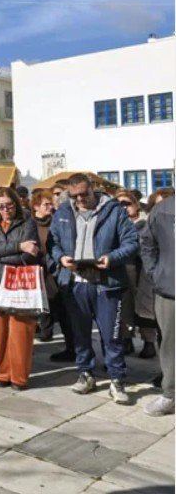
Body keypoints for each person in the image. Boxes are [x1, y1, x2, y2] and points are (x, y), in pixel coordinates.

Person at [49, 173, 139, 404]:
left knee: (112, 335)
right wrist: (61, 259)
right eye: (75, 195)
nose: (80, 199)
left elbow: (131, 242)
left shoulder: (114, 210)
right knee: (80, 334)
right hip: (76, 282)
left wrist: (111, 258)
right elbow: (53, 243)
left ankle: (117, 379)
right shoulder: (63, 213)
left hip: (107, 283)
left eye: (84, 194)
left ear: (93, 189)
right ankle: (85, 372)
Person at [0, 188, 42, 390]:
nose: (5, 210)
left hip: (19, 283)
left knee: (21, 332)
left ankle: (19, 377)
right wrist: (19, 246)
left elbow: (29, 255)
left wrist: (5, 251)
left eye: (9, 205)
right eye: (1, 206)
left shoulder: (28, 221)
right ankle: (2, 373)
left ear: (17, 203)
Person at [140, 195, 174, 416]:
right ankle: (171, 394)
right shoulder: (163, 210)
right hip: (170, 289)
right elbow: (147, 244)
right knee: (170, 346)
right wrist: (156, 274)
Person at [32, 189, 76, 362]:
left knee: (64, 310)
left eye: (51, 204)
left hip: (56, 270)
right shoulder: (29, 223)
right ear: (36, 206)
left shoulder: (58, 221)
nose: (50, 207)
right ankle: (44, 333)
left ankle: (71, 346)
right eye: (46, 204)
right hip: (36, 270)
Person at [114, 190, 157, 359]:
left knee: (145, 308)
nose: (124, 208)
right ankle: (127, 340)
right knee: (125, 308)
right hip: (124, 270)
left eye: (127, 203)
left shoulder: (146, 222)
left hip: (144, 270)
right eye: (119, 205)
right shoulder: (117, 224)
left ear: (136, 204)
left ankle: (149, 342)